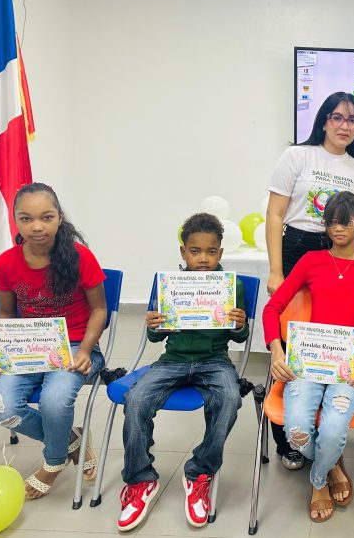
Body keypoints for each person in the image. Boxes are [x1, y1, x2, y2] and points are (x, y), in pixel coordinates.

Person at [262, 191, 354, 523]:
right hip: (306, 362)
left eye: (345, 221)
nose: (337, 229)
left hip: (352, 366)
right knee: (296, 430)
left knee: (334, 429)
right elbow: (272, 309)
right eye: (331, 222)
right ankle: (332, 464)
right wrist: (276, 349)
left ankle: (318, 481)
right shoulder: (311, 261)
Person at [117, 213, 248, 531]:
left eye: (211, 251)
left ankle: (200, 472)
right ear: (183, 252)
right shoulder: (169, 286)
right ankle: (140, 479)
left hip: (215, 360)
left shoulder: (233, 286)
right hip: (172, 360)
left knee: (230, 398)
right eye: (195, 251)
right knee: (136, 399)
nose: (203, 258)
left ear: (220, 252)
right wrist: (153, 325)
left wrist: (240, 325)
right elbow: (156, 337)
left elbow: (239, 338)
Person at [265, 91, 354, 469]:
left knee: (335, 337)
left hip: (342, 255)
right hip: (298, 248)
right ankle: (291, 441)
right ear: (324, 120)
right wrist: (276, 270)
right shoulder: (297, 155)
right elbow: (275, 215)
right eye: (337, 117)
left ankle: (331, 439)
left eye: (352, 120)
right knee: (294, 339)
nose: (345, 126)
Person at [0, 182, 106, 499]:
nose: (37, 227)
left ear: (59, 218)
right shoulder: (7, 262)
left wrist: (87, 350)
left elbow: (99, 310)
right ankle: (70, 440)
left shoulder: (81, 257)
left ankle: (52, 463)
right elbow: (6, 314)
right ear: (16, 221)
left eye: (46, 217)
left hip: (77, 347)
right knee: (0, 409)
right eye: (26, 219)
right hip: (26, 350)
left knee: (54, 401)